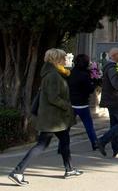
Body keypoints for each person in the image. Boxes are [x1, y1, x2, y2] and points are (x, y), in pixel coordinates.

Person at [9, 49, 82, 186]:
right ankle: (18, 171)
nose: (66, 60)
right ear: (56, 59)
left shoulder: (54, 73)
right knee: (42, 145)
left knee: (64, 140)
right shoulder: (53, 75)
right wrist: (67, 106)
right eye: (63, 57)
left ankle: (69, 169)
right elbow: (53, 97)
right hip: (53, 118)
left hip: (56, 118)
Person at [97, 47, 118, 157]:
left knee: (114, 125)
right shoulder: (112, 68)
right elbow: (116, 84)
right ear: (114, 56)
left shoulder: (112, 66)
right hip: (116, 100)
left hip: (113, 100)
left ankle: (117, 148)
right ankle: (102, 141)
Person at [67, 54, 97, 150]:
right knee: (88, 125)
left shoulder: (71, 73)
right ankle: (95, 143)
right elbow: (90, 89)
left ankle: (62, 146)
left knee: (67, 126)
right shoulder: (85, 75)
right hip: (82, 104)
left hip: (71, 103)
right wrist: (95, 83)